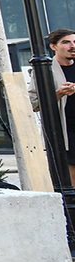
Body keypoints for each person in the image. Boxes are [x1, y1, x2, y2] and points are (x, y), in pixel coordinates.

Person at [30, 28, 75, 186]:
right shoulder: (44, 70)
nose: (72, 46)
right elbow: (35, 104)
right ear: (53, 46)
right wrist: (59, 93)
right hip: (65, 130)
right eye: (66, 42)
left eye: (74, 42)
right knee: (70, 176)